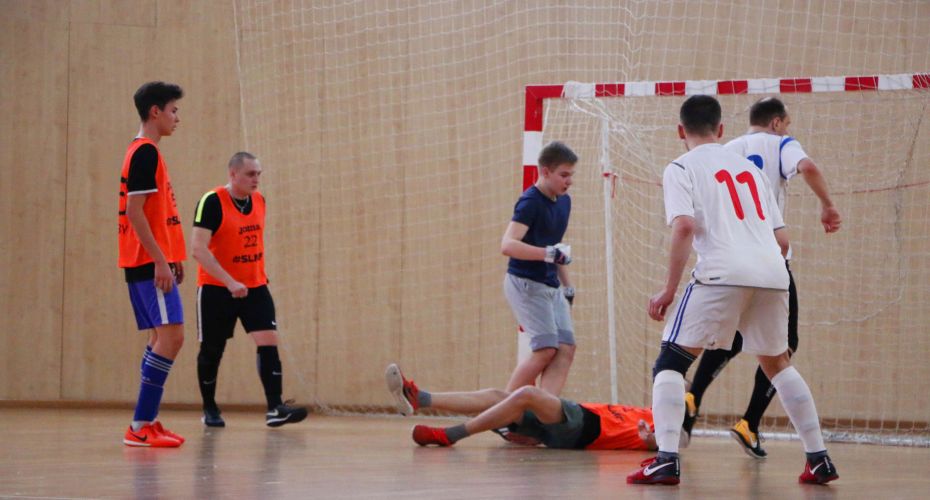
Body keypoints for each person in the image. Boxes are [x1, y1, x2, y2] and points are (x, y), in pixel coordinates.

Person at [626, 95, 838, 485]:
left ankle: (667, 459)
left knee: (670, 362)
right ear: (721, 129)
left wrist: (668, 289)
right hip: (774, 273)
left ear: (680, 131)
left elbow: (684, 227)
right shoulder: (752, 172)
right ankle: (819, 459)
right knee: (778, 364)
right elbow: (783, 241)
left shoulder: (680, 167)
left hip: (723, 272)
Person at [683, 97, 842, 459]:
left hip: (727, 259)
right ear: (776, 123)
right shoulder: (782, 144)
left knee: (730, 337)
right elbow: (807, 166)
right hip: (768, 260)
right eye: (786, 123)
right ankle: (751, 423)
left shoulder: (727, 150)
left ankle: (693, 395)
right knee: (783, 346)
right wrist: (828, 204)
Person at [191, 152, 308, 428]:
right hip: (217, 288)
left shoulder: (259, 201)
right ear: (233, 174)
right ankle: (210, 407)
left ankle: (275, 408)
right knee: (212, 350)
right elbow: (198, 249)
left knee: (268, 341)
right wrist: (230, 281)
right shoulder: (212, 202)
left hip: (255, 287)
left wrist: (254, 275)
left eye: (258, 174)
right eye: (250, 174)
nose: (256, 179)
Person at [385, 364, 673, 451]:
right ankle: (421, 399)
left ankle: (450, 435)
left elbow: (670, 442)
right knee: (500, 396)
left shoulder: (665, 424)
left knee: (526, 394)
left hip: (584, 426)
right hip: (571, 425)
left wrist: (651, 441)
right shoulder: (647, 409)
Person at [118, 81, 187, 447]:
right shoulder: (144, 152)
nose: (177, 117)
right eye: (173, 110)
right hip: (147, 262)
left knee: (161, 337)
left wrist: (172, 256)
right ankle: (140, 424)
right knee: (172, 337)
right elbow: (135, 213)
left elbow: (158, 215)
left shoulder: (147, 152)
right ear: (155, 111)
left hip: (151, 260)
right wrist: (161, 260)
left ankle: (147, 420)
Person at [500, 141, 578, 395]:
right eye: (563, 175)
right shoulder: (530, 202)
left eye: (571, 175)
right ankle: (505, 410)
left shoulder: (564, 202)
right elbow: (508, 245)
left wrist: (568, 286)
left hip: (550, 285)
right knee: (545, 349)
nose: (569, 181)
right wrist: (547, 254)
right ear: (545, 171)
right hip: (525, 283)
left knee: (565, 348)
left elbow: (555, 249)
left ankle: (544, 410)